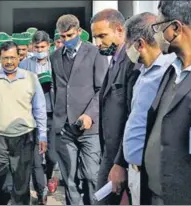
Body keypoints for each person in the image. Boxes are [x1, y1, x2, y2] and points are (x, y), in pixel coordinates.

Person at [0, 41, 47, 205]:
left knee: (21, 183)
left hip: (24, 137)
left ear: (19, 57)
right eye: (5, 58)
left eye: (13, 58)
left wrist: (42, 135)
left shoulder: (31, 78)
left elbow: (40, 109)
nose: (9, 62)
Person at [140, 1, 191, 204]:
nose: (156, 35)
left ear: (175, 28)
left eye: (158, 27)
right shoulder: (173, 70)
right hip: (158, 193)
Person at [51, 14, 108, 205]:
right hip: (64, 127)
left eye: (69, 35)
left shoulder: (95, 53)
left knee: (92, 175)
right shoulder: (55, 57)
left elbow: (101, 89)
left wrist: (90, 114)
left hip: (89, 127)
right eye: (63, 37)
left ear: (79, 31)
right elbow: (57, 87)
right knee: (69, 178)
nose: (66, 40)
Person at [123, 12, 177, 205]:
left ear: (139, 44)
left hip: (152, 175)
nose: (126, 51)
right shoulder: (142, 73)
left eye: (127, 45)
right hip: (134, 170)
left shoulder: (168, 73)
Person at [90, 9, 141, 204]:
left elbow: (132, 117)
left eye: (102, 36)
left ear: (120, 30)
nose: (98, 43)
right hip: (109, 152)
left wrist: (121, 162)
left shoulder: (132, 64)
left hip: (120, 156)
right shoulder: (115, 61)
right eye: (95, 37)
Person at [19, 30, 58, 204]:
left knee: (51, 155)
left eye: (43, 47)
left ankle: (48, 175)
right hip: (31, 115)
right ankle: (40, 190)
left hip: (53, 113)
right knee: (35, 155)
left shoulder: (55, 62)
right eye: (37, 47)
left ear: (48, 46)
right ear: (31, 47)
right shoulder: (25, 64)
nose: (40, 50)